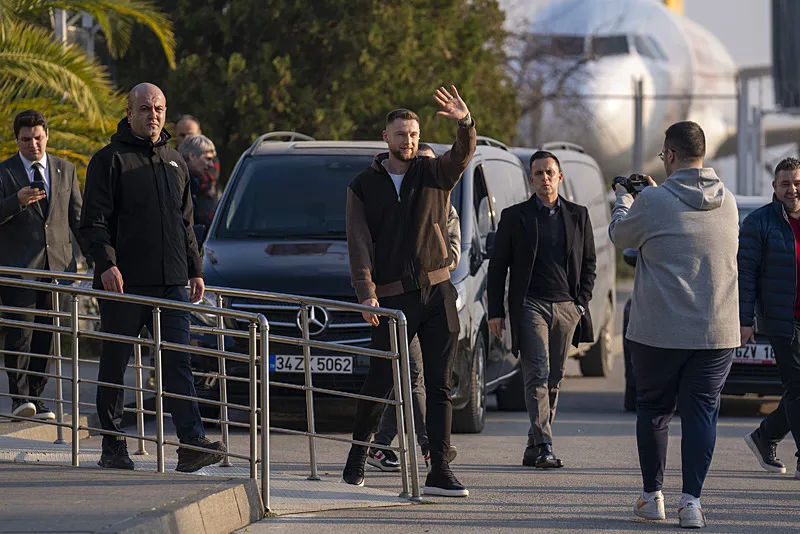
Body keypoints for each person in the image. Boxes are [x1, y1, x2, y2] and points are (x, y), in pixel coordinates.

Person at [80, 83, 225, 473]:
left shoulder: (176, 161)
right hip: (124, 285)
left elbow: (186, 222)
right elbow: (92, 222)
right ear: (129, 113)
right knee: (116, 365)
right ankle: (113, 445)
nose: (154, 115)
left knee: (178, 362)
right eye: (145, 108)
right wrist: (106, 264)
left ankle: (191, 442)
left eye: (159, 108)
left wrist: (195, 269)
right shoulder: (109, 160)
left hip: (173, 283)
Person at [343, 85, 475, 497]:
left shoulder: (432, 171)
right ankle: (357, 456)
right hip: (392, 298)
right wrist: (366, 292)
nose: (409, 141)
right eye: (401, 134)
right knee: (380, 380)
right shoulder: (364, 185)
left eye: (415, 135)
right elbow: (358, 241)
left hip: (437, 293)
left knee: (439, 386)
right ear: (386, 137)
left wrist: (465, 123)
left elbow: (462, 155)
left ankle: (438, 469)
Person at [609, 121, 739, 529]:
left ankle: (652, 497)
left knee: (654, 410)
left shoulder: (653, 201)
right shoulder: (730, 200)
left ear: (669, 155)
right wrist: (653, 193)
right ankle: (692, 504)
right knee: (702, 413)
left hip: (659, 331)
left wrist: (625, 199)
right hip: (716, 330)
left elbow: (619, 235)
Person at [487, 150, 596, 470]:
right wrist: (497, 311)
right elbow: (498, 268)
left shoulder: (579, 215)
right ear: (530, 179)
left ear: (560, 177)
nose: (544, 178)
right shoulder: (514, 216)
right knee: (536, 372)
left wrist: (580, 304)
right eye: (538, 173)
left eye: (550, 172)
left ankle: (534, 442)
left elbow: (590, 263)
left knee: (555, 378)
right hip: (530, 306)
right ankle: (546, 444)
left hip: (566, 307)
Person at [368, 142, 461, 472]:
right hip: (401, 301)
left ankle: (379, 444)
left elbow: (453, 253)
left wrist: (435, 263)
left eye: (429, 166)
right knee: (412, 376)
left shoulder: (445, 205)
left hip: (434, 298)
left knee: (417, 378)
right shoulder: (389, 200)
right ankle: (427, 447)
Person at [0, 109, 85, 420]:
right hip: (19, 268)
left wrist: (96, 259)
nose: (33, 145)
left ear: (47, 136)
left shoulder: (65, 170)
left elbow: (77, 219)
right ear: (17, 140)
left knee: (46, 335)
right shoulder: (5, 172)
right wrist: (16, 201)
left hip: (57, 268)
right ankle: (19, 399)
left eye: (38, 138)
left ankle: (38, 397)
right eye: (26, 140)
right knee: (19, 333)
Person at [739, 157, 800, 481]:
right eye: (786, 183)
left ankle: (765, 436)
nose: (792, 189)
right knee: (797, 386)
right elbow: (746, 274)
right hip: (782, 319)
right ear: (774, 187)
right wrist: (744, 319)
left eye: (797, 182)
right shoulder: (759, 223)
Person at [178, 134, 219, 227]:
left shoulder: (197, 183)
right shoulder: (178, 183)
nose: (211, 165)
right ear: (192, 156)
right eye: (208, 159)